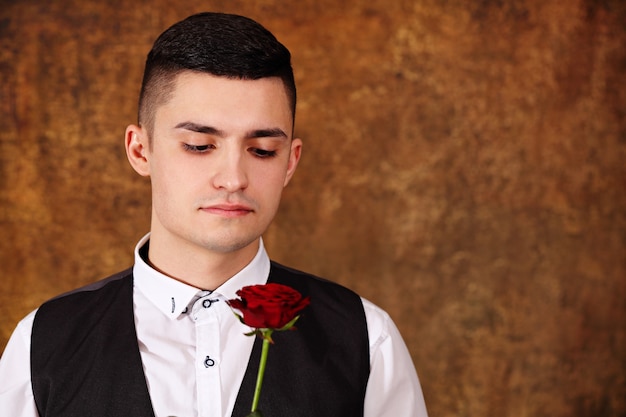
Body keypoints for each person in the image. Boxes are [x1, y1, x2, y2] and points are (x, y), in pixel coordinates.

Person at [0, 12, 428, 417]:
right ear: (140, 149)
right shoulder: (42, 342)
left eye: (262, 150)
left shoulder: (366, 338)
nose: (233, 178)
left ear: (291, 163)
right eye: (200, 146)